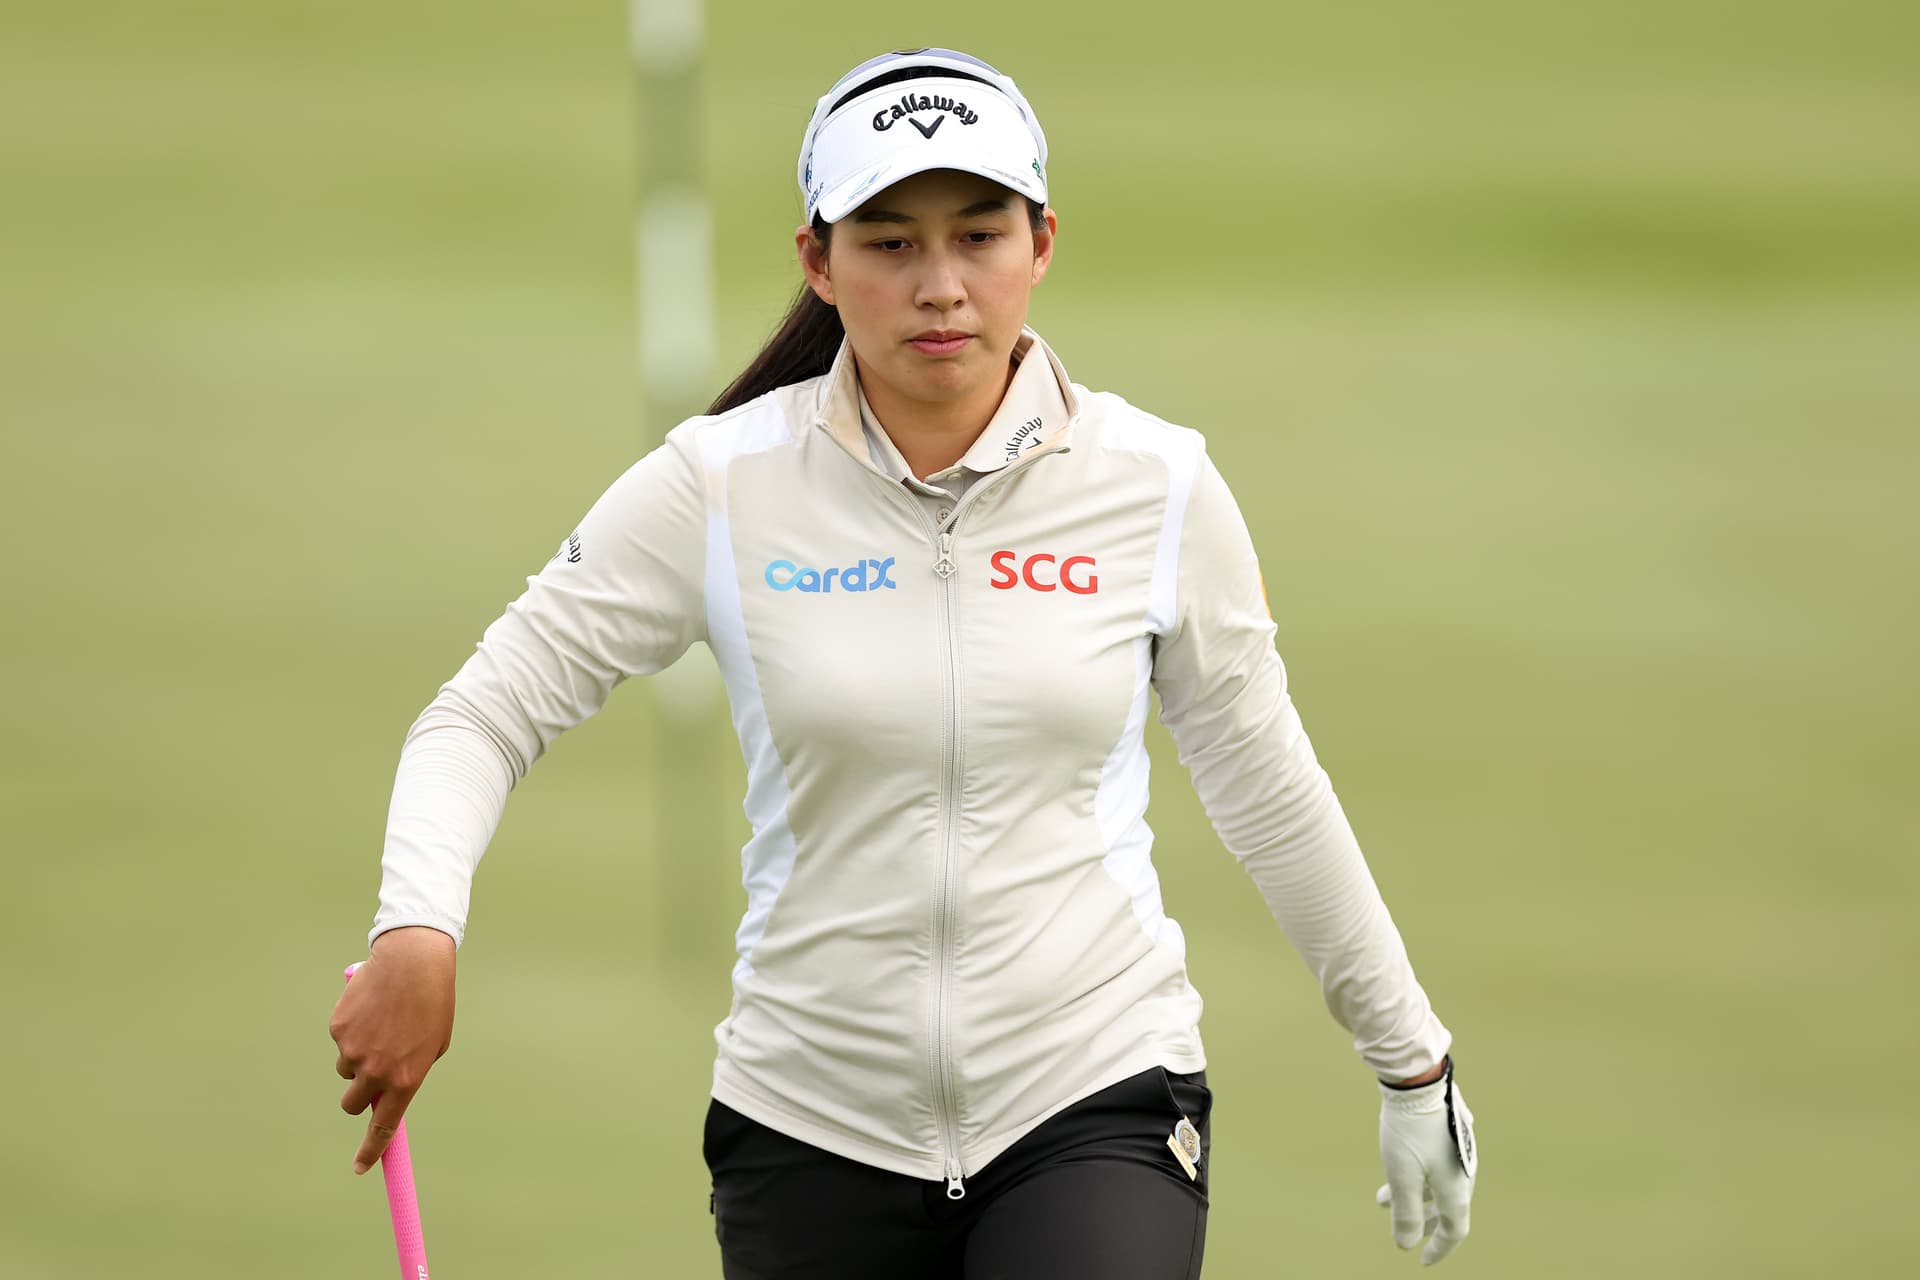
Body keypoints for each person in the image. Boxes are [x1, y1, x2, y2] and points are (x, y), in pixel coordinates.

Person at [328, 47, 1478, 1279]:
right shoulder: (721, 484)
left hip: (1093, 1094)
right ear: (818, 262)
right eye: (889, 243)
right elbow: (483, 713)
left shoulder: (1154, 484)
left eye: (979, 236)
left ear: (1041, 243)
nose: (941, 286)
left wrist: (1411, 1057)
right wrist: (419, 930)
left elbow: (1268, 785)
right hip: (807, 1122)